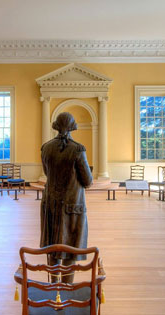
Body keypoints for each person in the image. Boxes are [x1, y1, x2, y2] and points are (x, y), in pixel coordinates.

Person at [40, 112, 93, 283]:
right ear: (72, 127)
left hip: (50, 204)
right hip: (72, 205)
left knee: (52, 248)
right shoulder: (77, 149)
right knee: (70, 247)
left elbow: (47, 173)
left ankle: (53, 289)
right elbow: (87, 181)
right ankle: (66, 289)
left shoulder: (46, 147)